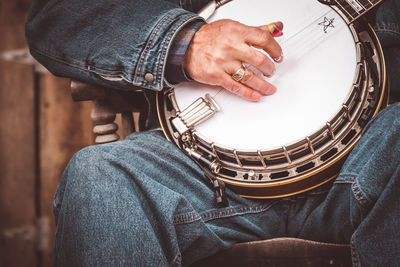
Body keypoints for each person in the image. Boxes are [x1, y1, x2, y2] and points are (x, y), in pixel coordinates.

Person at [25, 0, 400, 266]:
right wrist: (185, 43)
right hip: (197, 170)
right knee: (100, 175)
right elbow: (57, 16)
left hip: (367, 162)